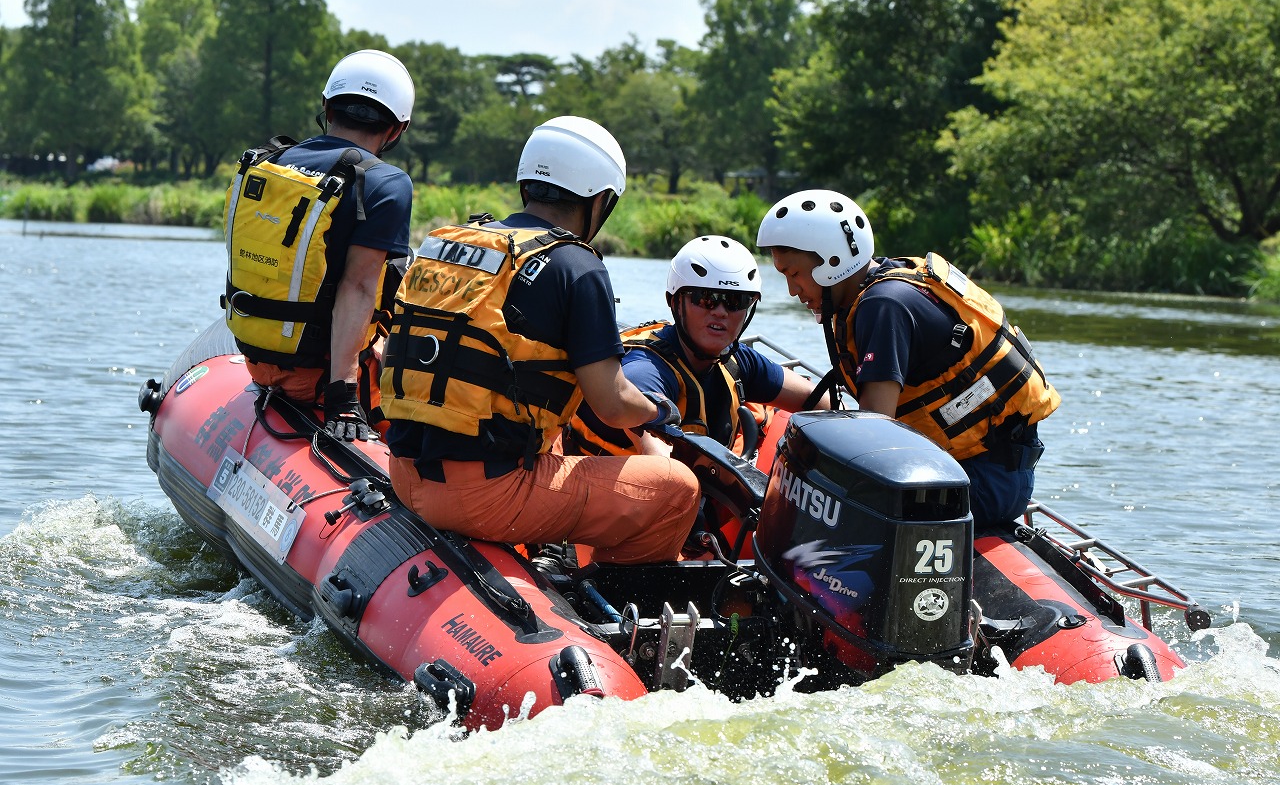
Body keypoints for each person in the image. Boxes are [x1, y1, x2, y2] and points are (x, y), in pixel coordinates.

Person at [379, 115, 700, 564]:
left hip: (404, 472)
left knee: (548, 430)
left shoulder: (449, 242)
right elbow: (611, 404)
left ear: (526, 184)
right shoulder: (577, 265)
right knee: (678, 489)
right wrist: (661, 409)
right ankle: (609, 615)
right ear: (601, 199)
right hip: (484, 498)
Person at [756, 189, 1060, 528]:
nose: (791, 290)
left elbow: (875, 435)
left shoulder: (882, 305)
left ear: (832, 261)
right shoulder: (877, 288)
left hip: (984, 482)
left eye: (793, 274)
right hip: (990, 470)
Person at [223, 49, 415, 442]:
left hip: (256, 360)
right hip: (318, 378)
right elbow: (359, 287)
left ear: (327, 106)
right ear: (398, 129)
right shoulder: (386, 184)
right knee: (403, 270)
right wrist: (342, 397)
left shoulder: (272, 162)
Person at [564, 234, 827, 459]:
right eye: (706, 299)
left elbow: (822, 402)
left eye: (736, 301)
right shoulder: (646, 370)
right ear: (674, 302)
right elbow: (661, 463)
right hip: (627, 503)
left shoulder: (736, 360)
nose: (721, 312)